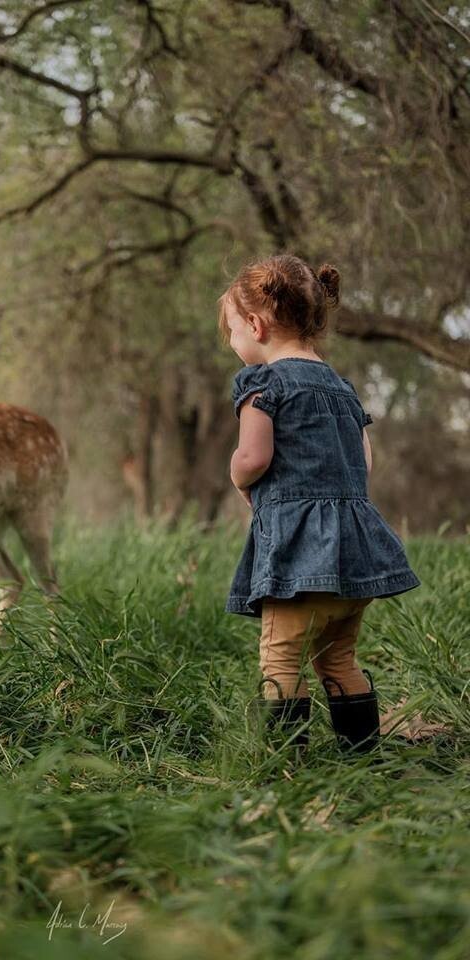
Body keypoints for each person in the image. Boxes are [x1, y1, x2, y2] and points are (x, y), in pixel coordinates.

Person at [219, 253, 421, 754]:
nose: (231, 341)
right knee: (338, 660)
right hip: (355, 560)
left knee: (281, 659)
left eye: (230, 330)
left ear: (255, 323)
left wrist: (239, 476)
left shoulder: (263, 384)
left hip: (299, 558)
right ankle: (362, 753)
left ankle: (287, 765)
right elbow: (363, 462)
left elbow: (254, 454)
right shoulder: (342, 388)